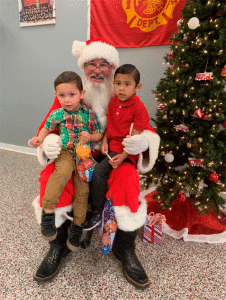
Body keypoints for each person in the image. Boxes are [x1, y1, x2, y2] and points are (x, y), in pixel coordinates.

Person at [32, 38, 160, 289]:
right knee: (50, 177)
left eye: (104, 64)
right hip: (74, 155)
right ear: (83, 67)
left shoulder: (123, 92)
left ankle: (125, 248)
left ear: (113, 69)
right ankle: (58, 244)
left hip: (114, 155)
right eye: (92, 63)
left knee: (127, 180)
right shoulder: (72, 93)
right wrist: (49, 144)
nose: (98, 70)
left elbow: (147, 130)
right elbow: (49, 124)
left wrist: (143, 143)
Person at [29, 71, 103, 251]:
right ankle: (47, 214)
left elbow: (100, 134)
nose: (67, 100)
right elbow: (47, 127)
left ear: (82, 94)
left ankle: (77, 227)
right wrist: (40, 139)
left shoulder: (90, 114)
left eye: (72, 95)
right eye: (62, 95)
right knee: (60, 174)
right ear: (56, 95)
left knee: (82, 191)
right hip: (66, 152)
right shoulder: (57, 114)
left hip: (84, 157)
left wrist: (91, 137)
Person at [83, 64, 151, 231]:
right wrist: (105, 140)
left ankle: (97, 211)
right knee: (89, 167)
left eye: (127, 84)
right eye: (118, 83)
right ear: (113, 84)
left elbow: (135, 138)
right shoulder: (113, 103)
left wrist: (123, 156)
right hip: (111, 147)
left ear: (137, 87)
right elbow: (110, 126)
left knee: (99, 172)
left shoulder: (138, 107)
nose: (122, 88)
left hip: (126, 150)